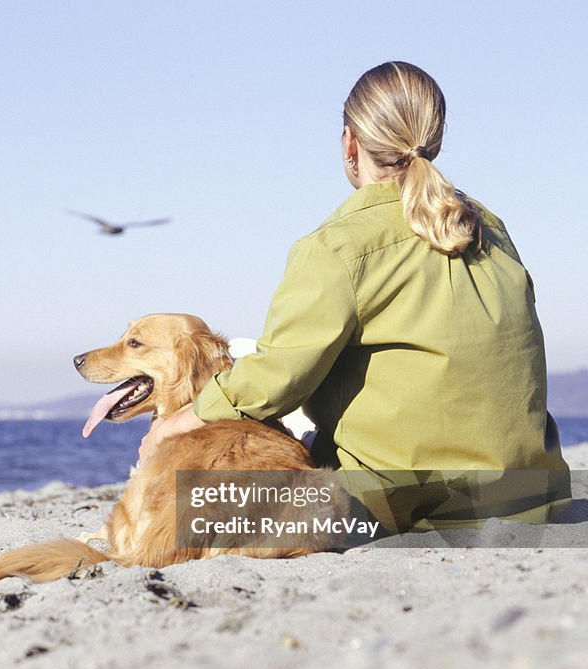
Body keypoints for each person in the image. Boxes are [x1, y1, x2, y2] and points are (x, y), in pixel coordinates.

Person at [141, 61, 570, 532]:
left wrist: (180, 421)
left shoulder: (335, 247)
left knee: (191, 510)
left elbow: (274, 384)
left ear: (350, 142)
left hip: (415, 505)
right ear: (437, 139)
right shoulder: (488, 226)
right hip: (531, 495)